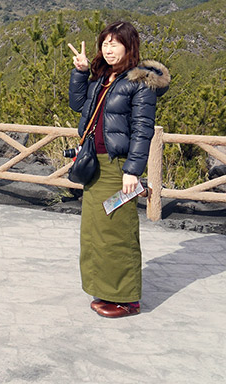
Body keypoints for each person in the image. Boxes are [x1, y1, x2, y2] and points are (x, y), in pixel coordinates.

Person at [67, 21, 170, 318]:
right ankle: (105, 289)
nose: (108, 49)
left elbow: (142, 129)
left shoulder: (141, 82)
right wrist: (81, 72)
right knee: (95, 232)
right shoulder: (103, 78)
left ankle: (127, 299)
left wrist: (132, 170)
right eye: (105, 43)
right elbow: (78, 104)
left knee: (118, 232)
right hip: (95, 165)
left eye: (115, 43)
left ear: (129, 46)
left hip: (117, 168)